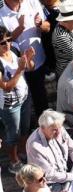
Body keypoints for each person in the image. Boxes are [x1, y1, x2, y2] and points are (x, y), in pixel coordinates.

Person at [0, 0, 48, 126]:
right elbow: (3, 42)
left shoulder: (32, 2)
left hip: (36, 63)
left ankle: (45, 127)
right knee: (21, 104)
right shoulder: (0, 12)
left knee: (40, 99)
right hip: (13, 69)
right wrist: (20, 28)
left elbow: (47, 27)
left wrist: (41, 25)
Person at [26, 108, 73, 191]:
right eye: (54, 130)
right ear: (43, 128)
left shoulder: (59, 128)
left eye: (59, 127)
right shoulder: (35, 146)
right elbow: (50, 175)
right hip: (49, 184)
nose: (58, 132)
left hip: (64, 172)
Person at [0, 25, 31, 172]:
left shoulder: (14, 48)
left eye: (9, 40)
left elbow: (29, 67)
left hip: (24, 96)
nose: (7, 44)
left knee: (24, 128)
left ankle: (23, 152)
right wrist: (20, 69)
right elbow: (6, 87)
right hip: (9, 104)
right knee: (13, 134)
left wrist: (28, 60)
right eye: (2, 42)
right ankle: (13, 162)